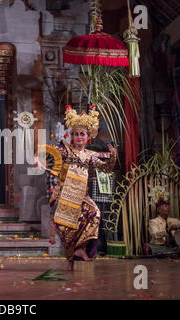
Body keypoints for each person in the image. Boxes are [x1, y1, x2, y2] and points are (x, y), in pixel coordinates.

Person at [37, 105, 117, 271]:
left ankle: (81, 249)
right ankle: (71, 259)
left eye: (82, 134)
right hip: (66, 195)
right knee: (69, 230)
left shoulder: (90, 155)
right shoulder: (65, 150)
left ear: (87, 137)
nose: (79, 136)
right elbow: (49, 158)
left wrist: (113, 157)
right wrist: (40, 161)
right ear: (72, 136)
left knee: (95, 213)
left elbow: (106, 169)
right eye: (76, 133)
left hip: (83, 196)